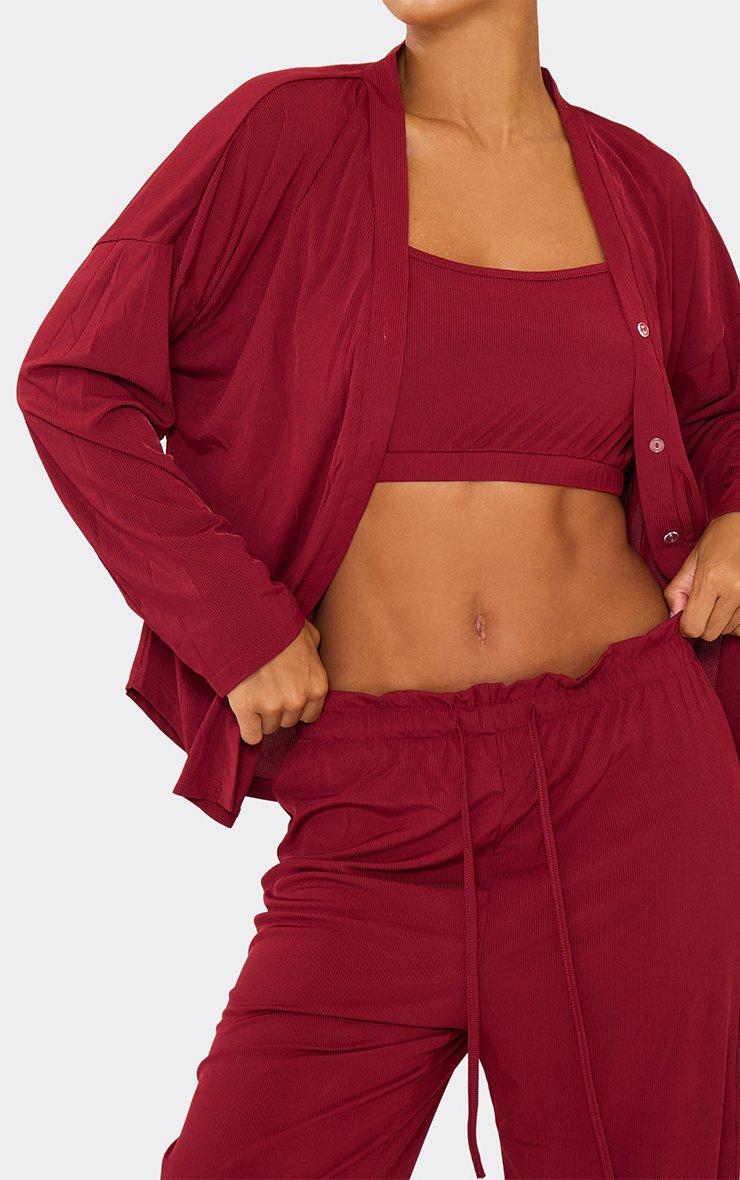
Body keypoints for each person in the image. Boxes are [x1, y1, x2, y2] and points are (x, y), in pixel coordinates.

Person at [17, 2, 740, 1177]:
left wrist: (738, 522)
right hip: (372, 808)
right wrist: (235, 626)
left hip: (628, 794)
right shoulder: (278, 135)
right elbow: (72, 382)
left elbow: (720, 409)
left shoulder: (641, 184)